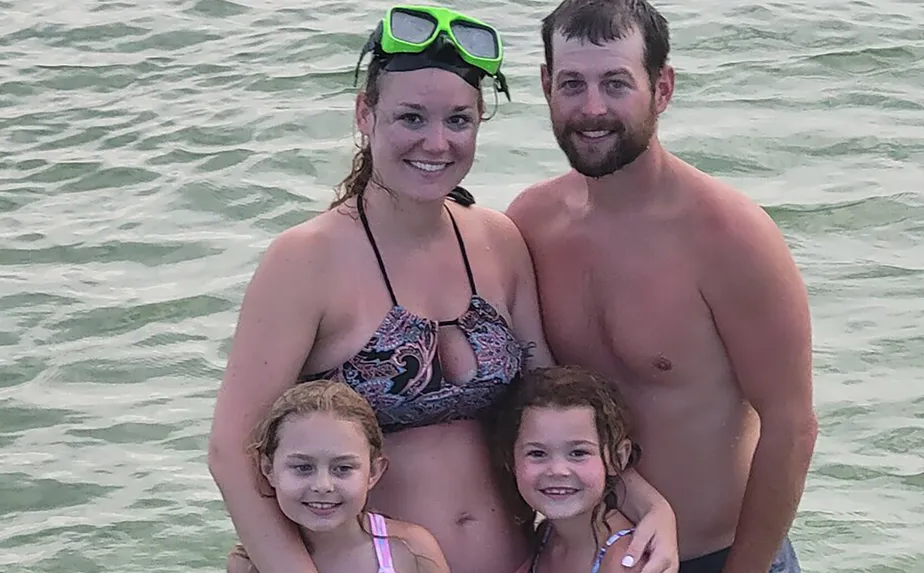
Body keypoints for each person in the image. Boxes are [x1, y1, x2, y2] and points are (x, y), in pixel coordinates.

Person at [208, 5, 677, 573]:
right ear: (365, 113)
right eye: (411, 118)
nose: (436, 143)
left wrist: (649, 505)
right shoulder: (306, 259)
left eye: (458, 120)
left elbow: (553, 403)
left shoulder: (497, 241)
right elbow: (235, 453)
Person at [505, 1, 818, 573]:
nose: (592, 108)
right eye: (572, 83)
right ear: (547, 85)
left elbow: (791, 423)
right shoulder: (531, 222)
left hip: (721, 556)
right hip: (583, 556)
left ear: (663, 87)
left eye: (616, 83)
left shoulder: (728, 235)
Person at [228, 380, 450, 573]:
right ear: (268, 470)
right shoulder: (250, 565)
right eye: (303, 467)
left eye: (342, 468)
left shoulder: (410, 549)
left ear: (373, 472)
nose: (323, 485)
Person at [494, 365, 646, 573]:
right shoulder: (546, 536)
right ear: (511, 459)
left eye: (578, 453)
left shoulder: (626, 563)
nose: (557, 470)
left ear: (618, 458)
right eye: (537, 454)